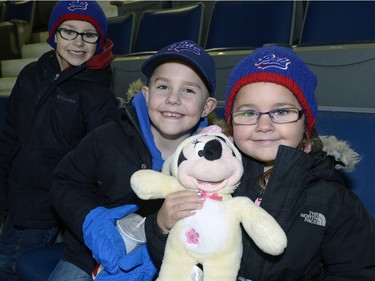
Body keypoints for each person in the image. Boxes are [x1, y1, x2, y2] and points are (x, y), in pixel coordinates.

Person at [147, 45, 375, 280]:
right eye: (248, 113)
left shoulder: (333, 199)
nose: (264, 126)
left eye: (282, 111)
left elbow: (357, 272)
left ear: (305, 122)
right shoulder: (207, 176)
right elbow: (176, 259)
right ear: (231, 126)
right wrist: (161, 227)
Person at [48, 40, 218, 280]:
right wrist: (91, 220)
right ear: (146, 95)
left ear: (206, 107)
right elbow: (65, 180)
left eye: (188, 90)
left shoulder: (216, 160)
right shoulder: (108, 136)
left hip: (167, 262)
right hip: (88, 257)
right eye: (163, 87)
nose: (173, 99)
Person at [0, 1, 118, 280]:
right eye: (69, 31)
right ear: (53, 35)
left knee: (11, 266)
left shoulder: (97, 93)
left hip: (48, 204)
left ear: (99, 41)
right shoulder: (31, 74)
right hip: (17, 194)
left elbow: (98, 163)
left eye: (89, 34)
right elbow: (10, 134)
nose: (78, 42)